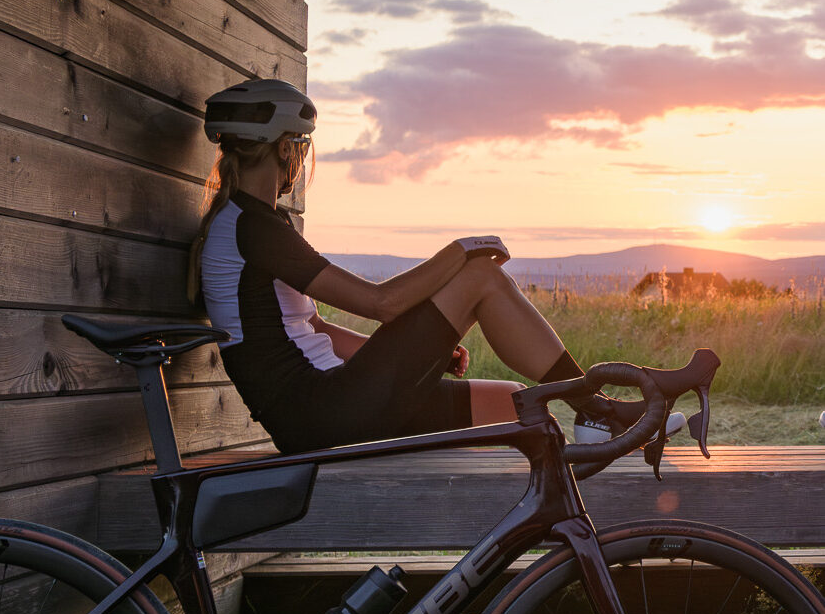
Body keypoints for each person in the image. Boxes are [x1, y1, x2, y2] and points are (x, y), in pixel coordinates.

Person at [188, 78, 681, 458]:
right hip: (323, 411)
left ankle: (597, 438)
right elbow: (382, 304)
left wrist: (421, 353)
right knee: (482, 276)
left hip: (331, 402)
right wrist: (463, 249)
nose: (299, 156)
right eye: (299, 144)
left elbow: (310, 327)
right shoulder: (252, 227)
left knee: (513, 403)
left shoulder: (251, 223)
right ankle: (599, 410)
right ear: (282, 147)